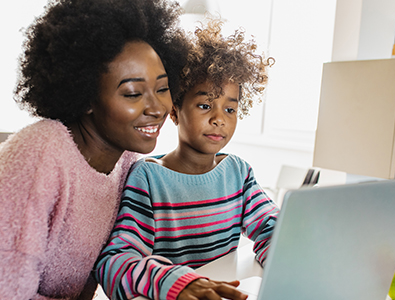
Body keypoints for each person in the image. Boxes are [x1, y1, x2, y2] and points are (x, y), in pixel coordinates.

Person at [0, 0, 190, 299]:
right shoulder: (41, 152)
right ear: (86, 96)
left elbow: (120, 261)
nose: (157, 108)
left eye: (163, 88)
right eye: (132, 93)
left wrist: (176, 282)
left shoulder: (127, 162)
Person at [95, 19, 278, 300]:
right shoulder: (148, 177)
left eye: (230, 108)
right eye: (205, 105)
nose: (219, 119)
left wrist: (285, 254)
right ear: (175, 111)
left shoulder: (238, 173)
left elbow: (270, 227)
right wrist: (176, 282)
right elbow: (115, 263)